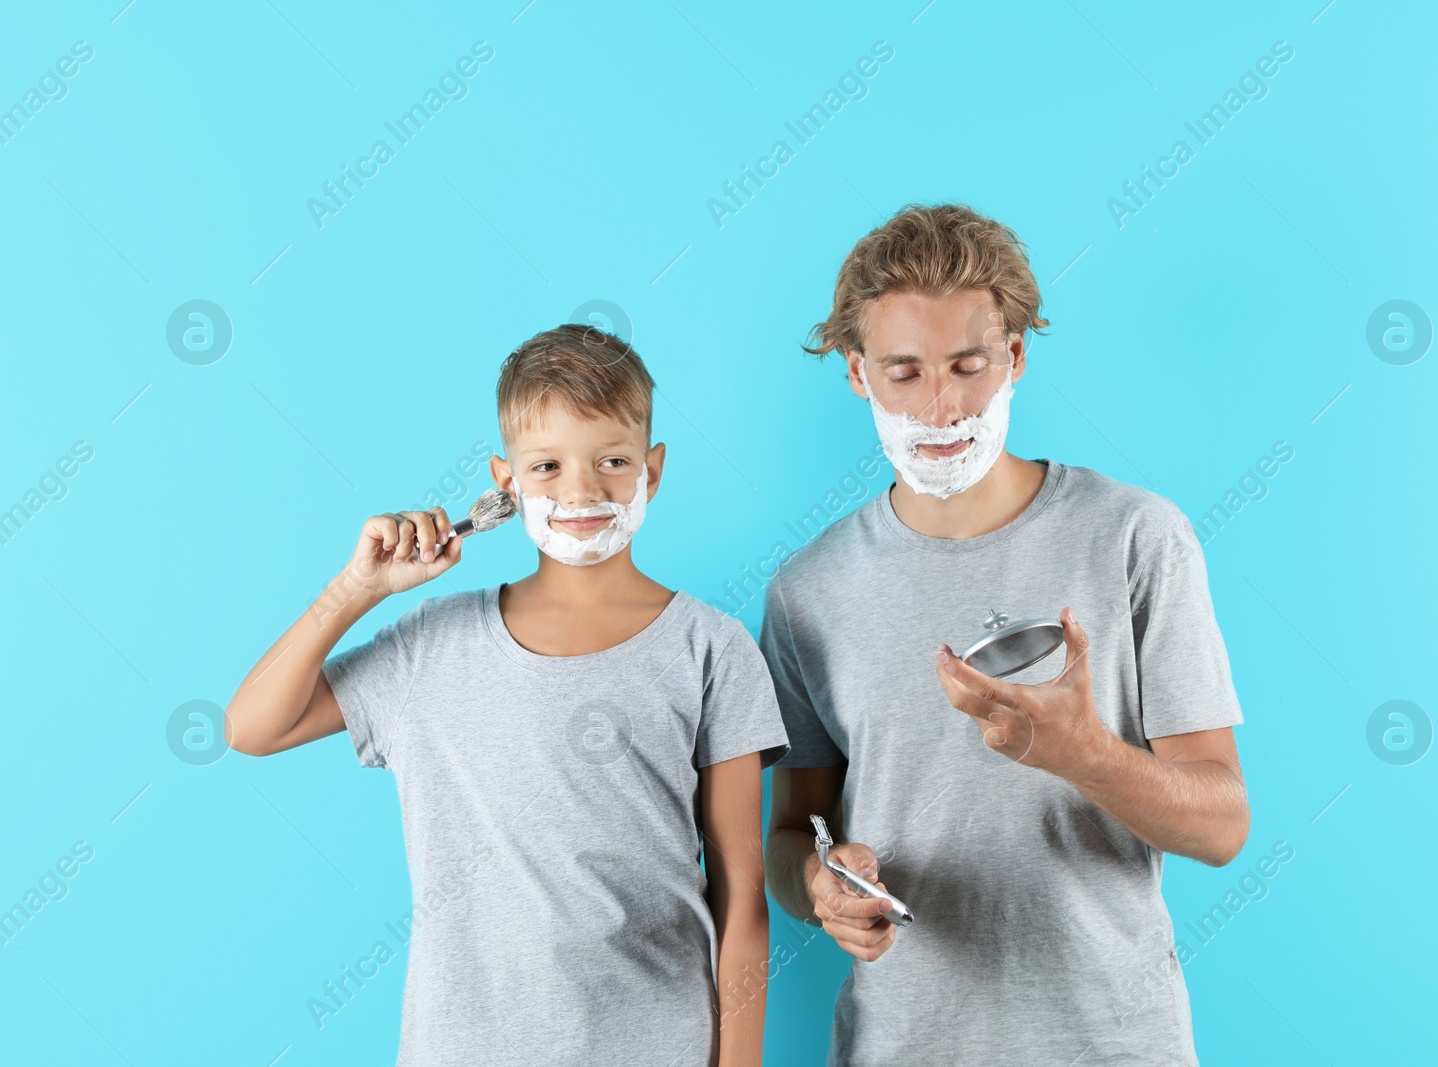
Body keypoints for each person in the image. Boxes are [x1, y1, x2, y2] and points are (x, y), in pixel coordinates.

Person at [759, 204, 1251, 1065]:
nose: (941, 405)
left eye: (968, 365)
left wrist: (1082, 752)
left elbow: (1222, 826)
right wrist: (818, 888)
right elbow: (791, 832)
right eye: (903, 372)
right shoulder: (808, 591)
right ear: (856, 374)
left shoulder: (1137, 538)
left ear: (1015, 357)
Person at [224, 324, 789, 1067]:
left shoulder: (711, 648)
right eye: (548, 465)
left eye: (612, 460)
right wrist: (356, 590)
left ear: (652, 470)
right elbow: (250, 726)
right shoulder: (432, 646)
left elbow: (743, 896)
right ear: (505, 481)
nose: (582, 490)